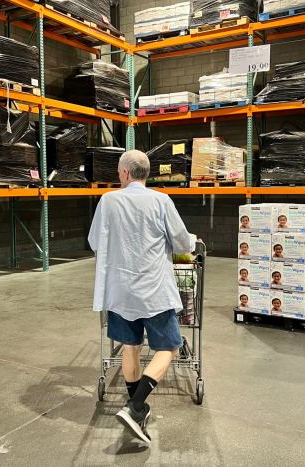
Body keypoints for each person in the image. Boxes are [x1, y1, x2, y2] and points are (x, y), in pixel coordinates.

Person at [88, 150, 197, 444]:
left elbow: (95, 240)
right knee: (170, 346)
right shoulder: (161, 200)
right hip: (154, 290)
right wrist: (191, 243)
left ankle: (134, 406)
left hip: (121, 290)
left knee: (130, 347)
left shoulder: (108, 201)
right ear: (145, 174)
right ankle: (136, 406)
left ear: (123, 173)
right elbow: (179, 240)